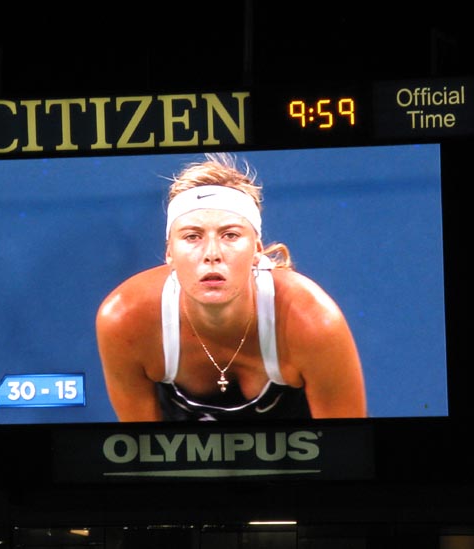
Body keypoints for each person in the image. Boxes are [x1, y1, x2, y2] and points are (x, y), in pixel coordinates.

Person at [96, 152, 367, 421]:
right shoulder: (124, 320)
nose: (212, 253)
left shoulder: (313, 323)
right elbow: (142, 455)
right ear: (169, 254)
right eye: (192, 236)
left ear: (257, 251)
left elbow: (347, 451)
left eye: (230, 235)